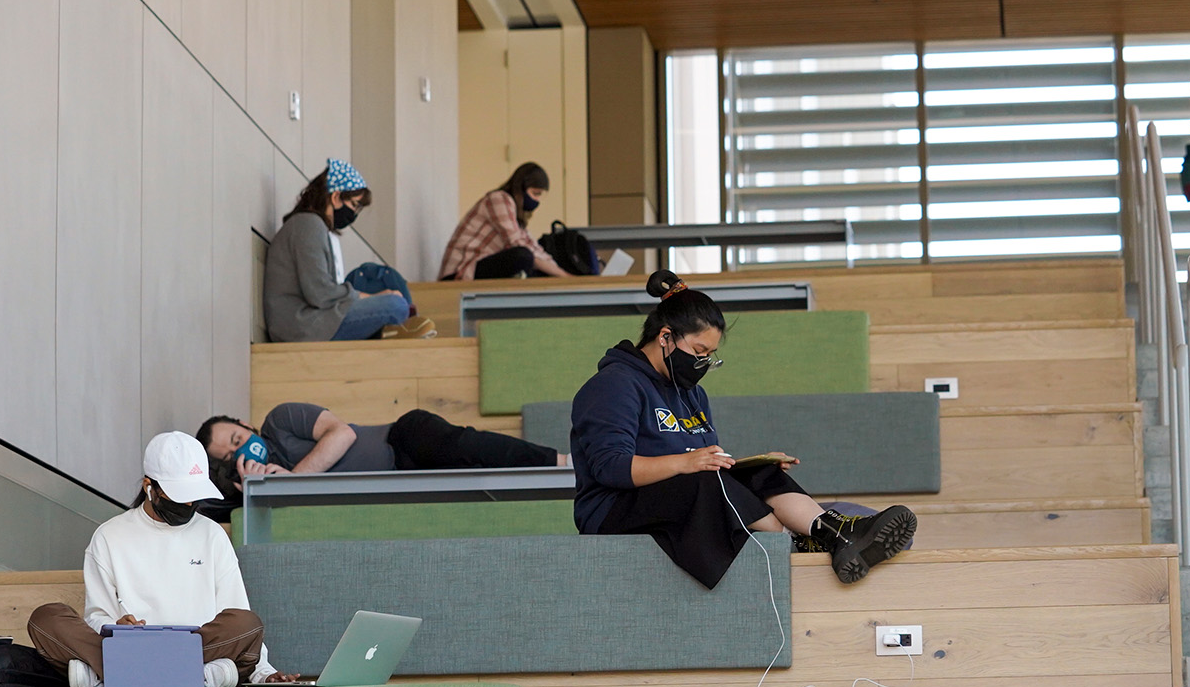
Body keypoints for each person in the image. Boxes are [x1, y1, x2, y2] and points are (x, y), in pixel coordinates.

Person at [568, 269, 917, 588]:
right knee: (704, 479)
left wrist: (748, 465)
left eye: (710, 355)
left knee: (754, 470)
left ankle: (833, 531)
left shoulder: (690, 394)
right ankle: (795, 543)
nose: (703, 363)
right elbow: (610, 467)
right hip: (614, 511)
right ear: (665, 337)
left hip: (682, 493)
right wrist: (685, 464)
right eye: (699, 351)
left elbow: (706, 460)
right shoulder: (614, 385)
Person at [27, 431, 299, 687]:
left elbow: (237, 615)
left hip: (198, 647)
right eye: (179, 496)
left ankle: (111, 676)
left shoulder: (211, 534)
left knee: (246, 623)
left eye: (193, 496)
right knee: (46, 618)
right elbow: (97, 617)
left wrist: (264, 673)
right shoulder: (109, 536)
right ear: (149, 487)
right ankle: (200, 676)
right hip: (134, 647)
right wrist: (116, 626)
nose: (189, 504)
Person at [196, 404, 567, 495]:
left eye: (236, 439)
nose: (240, 450)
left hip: (403, 439)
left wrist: (292, 478)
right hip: (401, 483)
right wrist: (263, 491)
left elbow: (341, 434)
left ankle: (561, 463)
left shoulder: (279, 420)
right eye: (229, 456)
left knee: (468, 446)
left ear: (244, 425)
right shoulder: (265, 482)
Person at [264, 158, 437, 341]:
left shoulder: (310, 226)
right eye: (354, 205)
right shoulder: (308, 224)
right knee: (396, 304)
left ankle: (391, 332)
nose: (354, 214)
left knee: (394, 302)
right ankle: (393, 332)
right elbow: (320, 293)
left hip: (306, 323)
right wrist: (368, 297)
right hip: (303, 326)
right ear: (336, 197)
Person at [437, 162, 570, 281]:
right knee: (523, 257)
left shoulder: (517, 216)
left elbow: (534, 247)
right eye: (535, 193)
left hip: (476, 268)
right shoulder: (499, 199)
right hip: (460, 272)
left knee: (539, 266)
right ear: (521, 188)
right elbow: (516, 244)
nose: (537, 200)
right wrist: (562, 276)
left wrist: (563, 274)